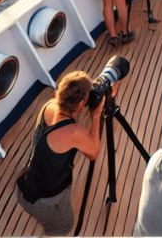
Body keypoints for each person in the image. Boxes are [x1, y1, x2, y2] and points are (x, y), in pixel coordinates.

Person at [16, 71, 110, 236]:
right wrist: (96, 114)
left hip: (28, 184)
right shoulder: (73, 132)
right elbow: (93, 152)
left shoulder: (49, 105)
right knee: (64, 228)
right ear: (82, 103)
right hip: (45, 201)